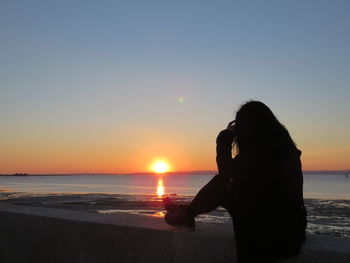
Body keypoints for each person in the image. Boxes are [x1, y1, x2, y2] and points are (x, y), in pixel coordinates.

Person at [163, 100, 307, 263]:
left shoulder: (258, 155)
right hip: (292, 231)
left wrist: (224, 139)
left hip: (270, 239)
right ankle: (186, 212)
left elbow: (226, 175)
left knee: (221, 184)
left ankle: (186, 214)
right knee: (224, 185)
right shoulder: (283, 149)